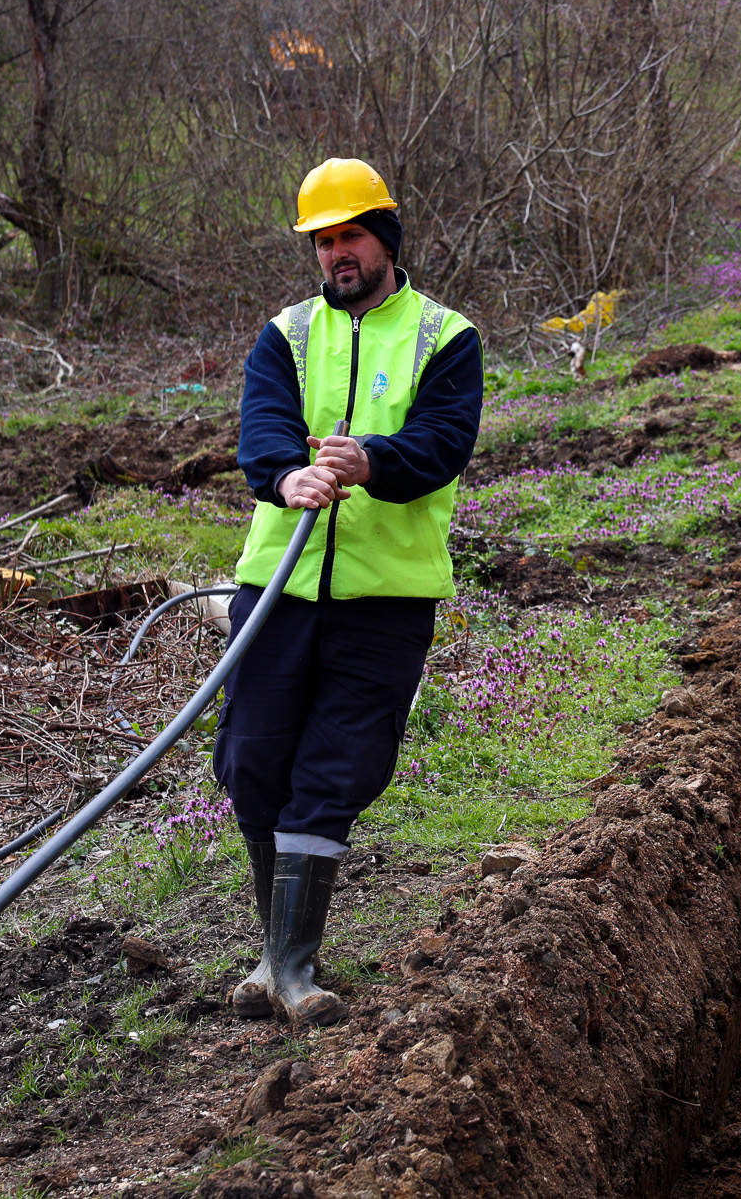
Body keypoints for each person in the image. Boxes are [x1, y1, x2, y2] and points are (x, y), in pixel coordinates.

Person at [217, 157, 483, 1026]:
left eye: (352, 237)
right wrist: (283, 475)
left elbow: (444, 440)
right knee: (253, 761)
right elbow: (261, 423)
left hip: (385, 599)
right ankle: (271, 958)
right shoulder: (286, 334)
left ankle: (294, 968)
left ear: (387, 239)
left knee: (333, 771)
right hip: (279, 585)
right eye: (324, 240)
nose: (338, 254)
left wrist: (374, 459)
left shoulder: (446, 336)